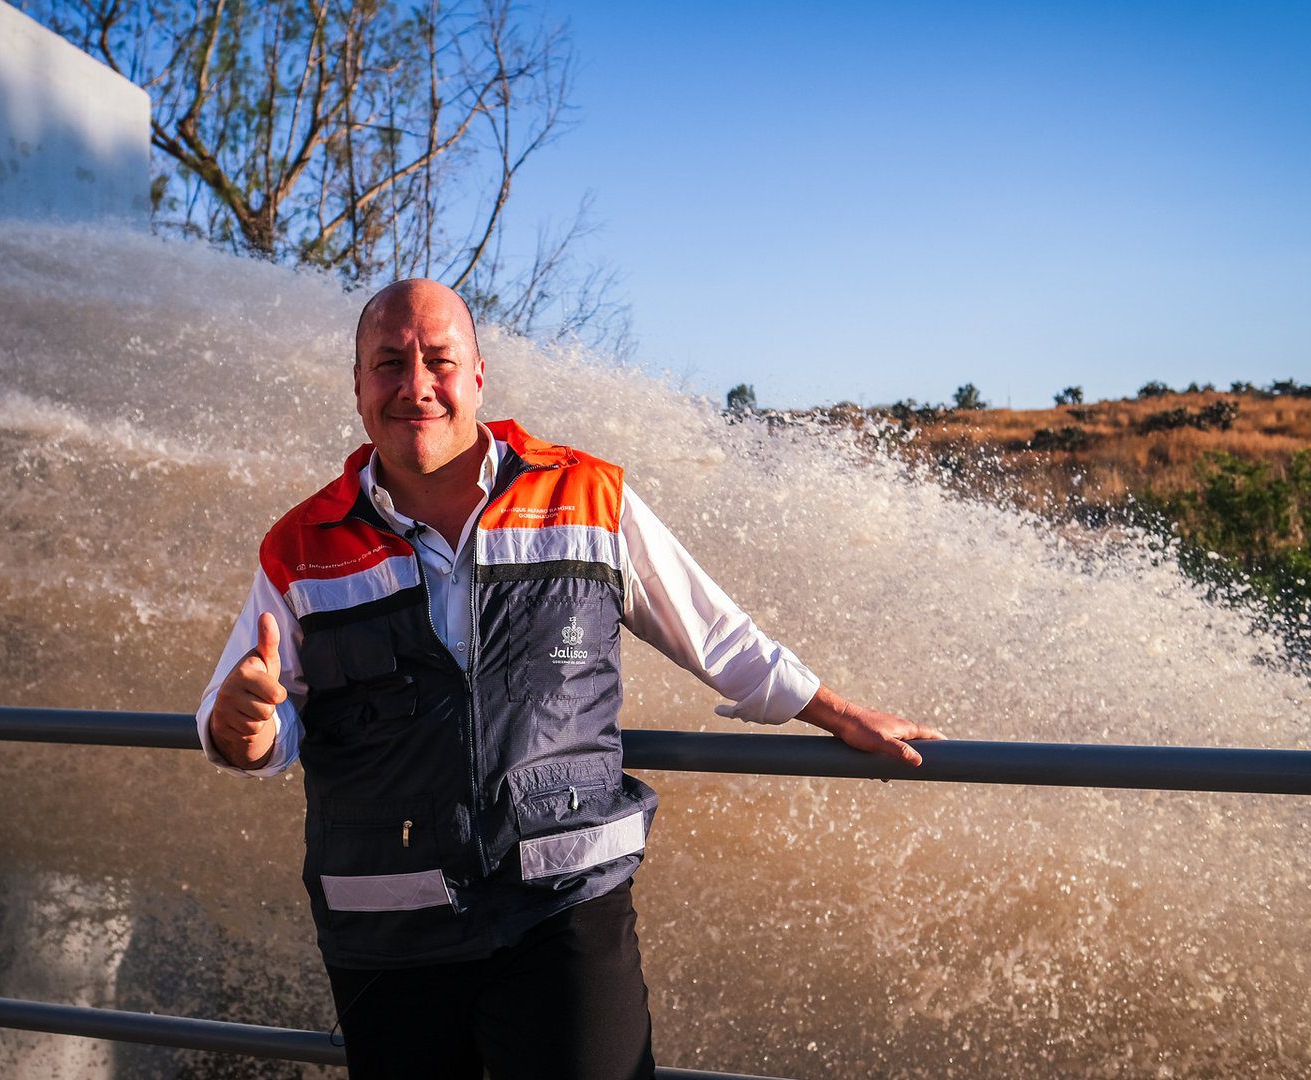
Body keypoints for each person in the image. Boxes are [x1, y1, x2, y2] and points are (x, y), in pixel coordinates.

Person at [196, 278, 944, 1079]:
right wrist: (243, 728)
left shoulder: (586, 496)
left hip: (563, 910)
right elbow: (249, 714)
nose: (415, 386)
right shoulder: (300, 544)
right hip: (386, 931)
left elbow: (714, 631)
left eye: (439, 362)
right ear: (356, 385)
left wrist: (834, 712)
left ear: (478, 377)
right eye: (387, 364)